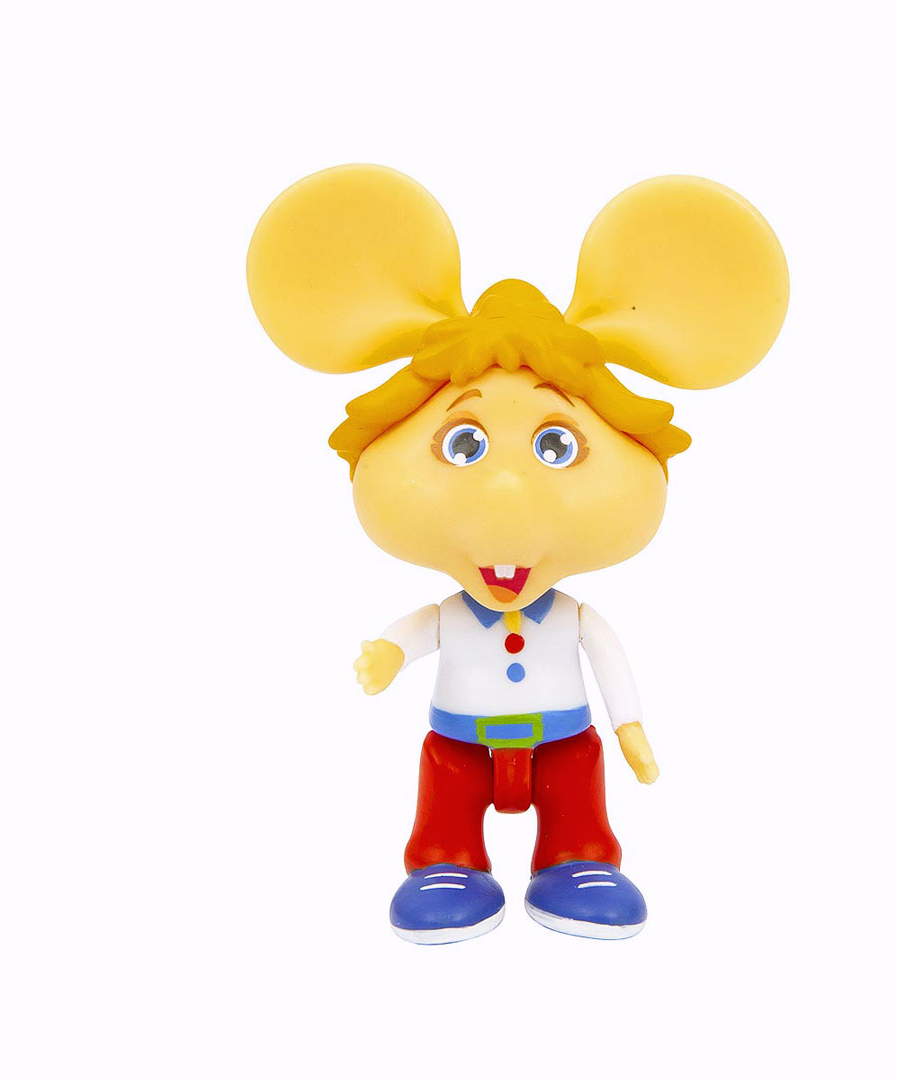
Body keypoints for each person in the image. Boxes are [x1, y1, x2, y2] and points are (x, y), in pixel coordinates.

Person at [247, 164, 788, 943]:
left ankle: (577, 857)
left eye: (556, 446)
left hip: (566, 743)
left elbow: (610, 664)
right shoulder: (450, 614)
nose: (505, 494)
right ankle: (445, 860)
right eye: (463, 445)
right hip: (459, 747)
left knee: (578, 797)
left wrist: (631, 731)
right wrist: (389, 653)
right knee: (445, 796)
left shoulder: (575, 617)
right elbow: (418, 632)